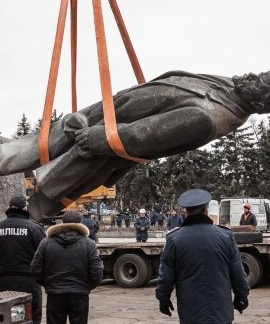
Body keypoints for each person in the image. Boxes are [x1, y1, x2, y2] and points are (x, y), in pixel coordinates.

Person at [1, 71, 270, 222]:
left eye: (259, 82)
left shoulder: (208, 118)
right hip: (107, 113)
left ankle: (17, 225)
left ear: (259, 105)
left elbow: (143, 135)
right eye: (259, 74)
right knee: (36, 144)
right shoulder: (227, 86)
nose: (251, 76)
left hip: (99, 142)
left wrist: (101, 138)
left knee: (45, 193)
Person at [156, 189, 250, 324]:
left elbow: (166, 276)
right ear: (206, 210)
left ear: (186, 212)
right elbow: (237, 272)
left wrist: (163, 299)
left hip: (191, 313)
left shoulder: (174, 239)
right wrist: (242, 296)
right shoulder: (225, 236)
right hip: (220, 312)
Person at [30, 210, 103, 324]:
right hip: (80, 295)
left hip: (55, 295)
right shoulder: (89, 244)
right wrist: (88, 286)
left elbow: (35, 268)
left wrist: (48, 284)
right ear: (80, 224)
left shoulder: (46, 243)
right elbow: (97, 271)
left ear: (62, 222)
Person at [0, 194, 46, 324]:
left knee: (4, 315)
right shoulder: (35, 228)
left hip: (2, 280)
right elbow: (45, 254)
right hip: (29, 280)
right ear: (25, 208)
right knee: (30, 315)